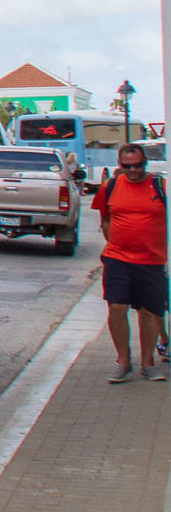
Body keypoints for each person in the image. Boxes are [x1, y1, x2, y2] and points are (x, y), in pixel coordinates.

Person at [93, 142, 167, 383]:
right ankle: (123, 361)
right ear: (119, 164)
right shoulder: (110, 186)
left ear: (145, 163)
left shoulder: (161, 186)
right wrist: (117, 241)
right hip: (117, 258)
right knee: (116, 307)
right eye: (127, 166)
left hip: (152, 260)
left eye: (138, 165)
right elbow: (105, 219)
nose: (133, 170)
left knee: (149, 313)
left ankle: (148, 364)